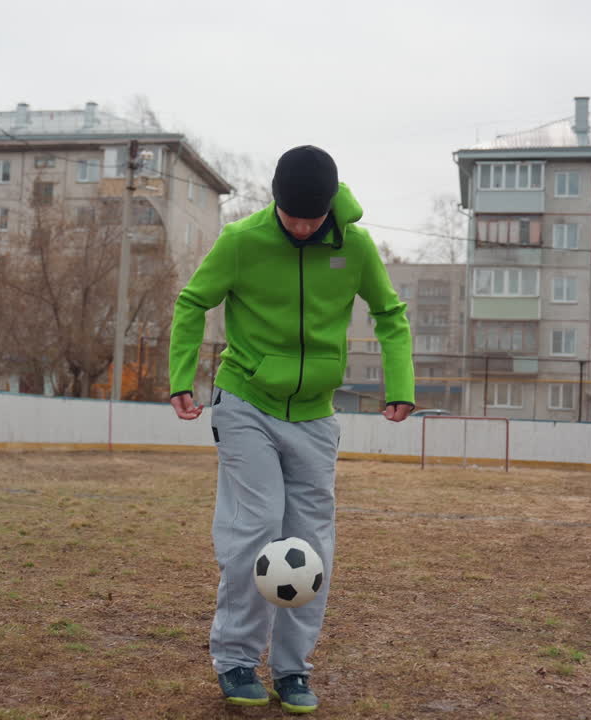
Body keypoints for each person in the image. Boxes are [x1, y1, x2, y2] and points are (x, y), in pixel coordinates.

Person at [168, 145, 414, 713]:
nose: (302, 227)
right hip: (247, 402)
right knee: (255, 528)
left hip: (315, 414)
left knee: (308, 546)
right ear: (275, 202)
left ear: (330, 207)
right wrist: (182, 376)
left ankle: (293, 670)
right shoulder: (241, 241)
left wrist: (398, 384)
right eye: (292, 216)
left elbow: (390, 314)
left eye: (313, 217)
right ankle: (234, 659)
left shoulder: (353, 245)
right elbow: (192, 302)